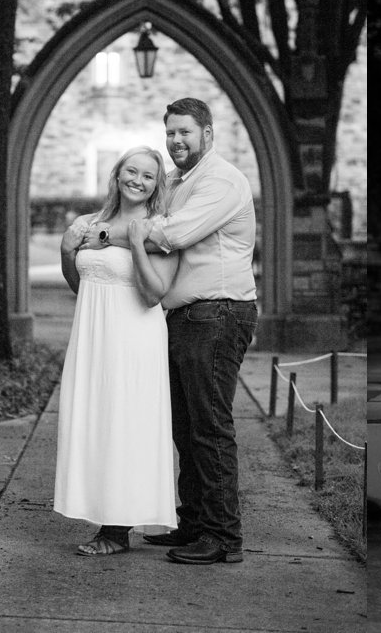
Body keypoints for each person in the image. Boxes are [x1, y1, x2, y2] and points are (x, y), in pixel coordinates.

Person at [86, 97, 257, 565]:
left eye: (185, 131)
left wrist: (102, 234)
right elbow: (151, 225)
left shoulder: (221, 180)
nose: (176, 140)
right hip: (186, 316)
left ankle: (224, 537)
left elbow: (170, 234)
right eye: (171, 133)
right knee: (185, 428)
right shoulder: (184, 183)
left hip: (218, 313)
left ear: (208, 133)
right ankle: (196, 523)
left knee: (209, 426)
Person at [54, 145, 179, 556]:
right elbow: (81, 285)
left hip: (134, 337)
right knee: (95, 422)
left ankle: (116, 530)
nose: (138, 180)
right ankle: (99, 510)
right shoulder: (91, 223)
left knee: (126, 425)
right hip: (92, 335)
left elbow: (153, 295)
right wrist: (67, 252)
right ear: (117, 174)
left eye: (148, 175)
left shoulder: (160, 227)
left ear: (156, 184)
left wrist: (138, 244)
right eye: (132, 171)